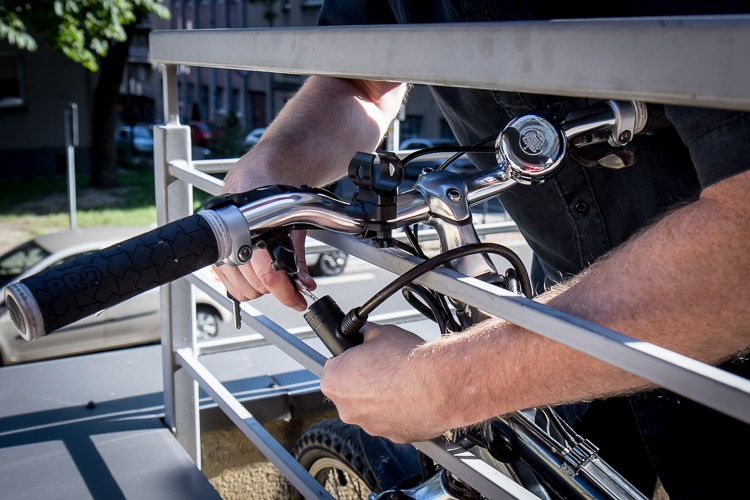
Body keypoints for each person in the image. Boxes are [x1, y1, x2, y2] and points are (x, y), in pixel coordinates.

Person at [215, 2, 750, 498]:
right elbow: (360, 79)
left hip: (720, 349)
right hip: (557, 297)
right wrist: (268, 173)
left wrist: (444, 384)